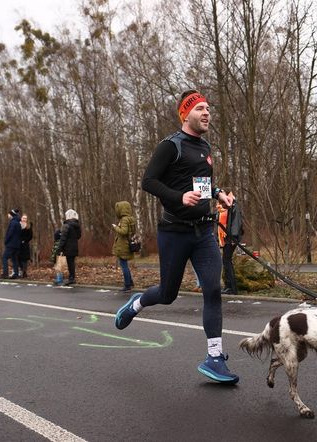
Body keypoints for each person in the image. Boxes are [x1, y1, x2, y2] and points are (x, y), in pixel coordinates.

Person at [114, 89, 239, 384]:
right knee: (168, 294)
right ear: (186, 114)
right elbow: (149, 182)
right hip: (173, 232)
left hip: (203, 232)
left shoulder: (205, 146)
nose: (206, 113)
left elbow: (201, 185)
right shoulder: (171, 146)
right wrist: (179, 197)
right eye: (200, 109)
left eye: (208, 108)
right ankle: (136, 304)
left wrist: (218, 193)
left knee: (212, 289)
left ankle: (215, 358)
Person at [111, 201, 136, 292]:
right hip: (127, 244)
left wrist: (115, 227)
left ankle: (127, 285)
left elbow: (124, 231)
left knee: (124, 265)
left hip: (122, 245)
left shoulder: (124, 220)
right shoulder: (131, 218)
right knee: (125, 265)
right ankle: (130, 283)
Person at [217, 197, 238, 295]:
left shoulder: (233, 206)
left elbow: (236, 222)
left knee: (226, 261)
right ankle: (229, 286)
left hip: (230, 239)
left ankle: (232, 287)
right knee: (226, 261)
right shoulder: (223, 209)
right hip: (226, 239)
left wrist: (234, 236)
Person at [58, 209, 81, 285]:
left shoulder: (66, 225)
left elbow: (63, 238)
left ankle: (71, 278)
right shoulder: (77, 225)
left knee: (70, 263)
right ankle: (72, 277)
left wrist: (59, 248)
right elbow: (78, 236)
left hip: (67, 247)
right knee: (72, 263)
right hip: (74, 246)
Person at [1, 208, 21, 279]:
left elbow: (10, 233)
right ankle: (16, 274)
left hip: (11, 244)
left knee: (4, 257)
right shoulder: (18, 223)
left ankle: (5, 273)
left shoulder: (13, 222)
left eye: (9, 214)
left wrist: (6, 240)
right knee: (14, 259)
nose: (8, 215)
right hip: (17, 245)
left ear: (11, 215)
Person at [18, 214, 33, 279]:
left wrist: (25, 240)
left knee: (24, 260)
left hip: (25, 245)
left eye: (25, 218)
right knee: (19, 259)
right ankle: (21, 271)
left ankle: (24, 272)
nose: (24, 219)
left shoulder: (29, 226)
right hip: (18, 245)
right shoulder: (18, 225)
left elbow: (30, 236)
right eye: (23, 218)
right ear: (21, 218)